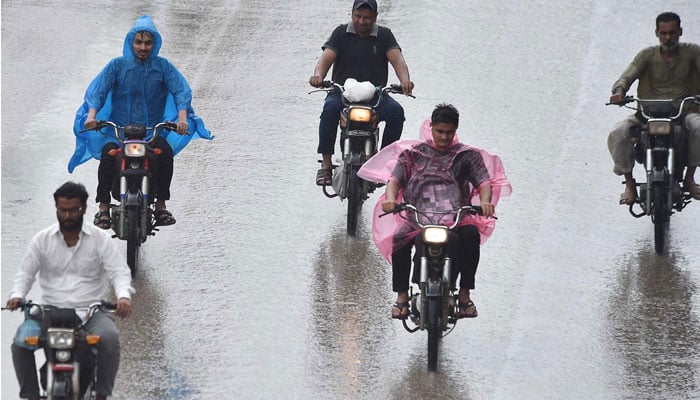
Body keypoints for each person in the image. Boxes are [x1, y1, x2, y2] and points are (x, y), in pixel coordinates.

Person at [358, 104, 511, 319]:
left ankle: (465, 295)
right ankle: (402, 296)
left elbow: (483, 182)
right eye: (440, 131)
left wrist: (486, 202)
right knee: (399, 240)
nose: (444, 136)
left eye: (449, 132)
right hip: (418, 218)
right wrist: (391, 199)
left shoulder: (467, 156)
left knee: (470, 236)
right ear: (431, 128)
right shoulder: (413, 154)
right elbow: (395, 180)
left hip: (456, 218)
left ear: (456, 130)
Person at [69, 15, 212, 228]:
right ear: (130, 42)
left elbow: (180, 89)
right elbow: (98, 90)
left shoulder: (163, 67)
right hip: (118, 132)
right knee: (108, 156)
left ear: (155, 44)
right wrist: (92, 116)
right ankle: (103, 208)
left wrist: (182, 119)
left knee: (164, 153)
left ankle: (161, 205)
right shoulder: (117, 66)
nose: (143, 47)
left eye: (148, 43)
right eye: (138, 42)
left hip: (152, 133)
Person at [6, 181, 134, 400]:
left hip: (92, 312)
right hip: (49, 313)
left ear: (83, 208)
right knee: (20, 344)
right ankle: (31, 395)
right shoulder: (42, 240)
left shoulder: (100, 239)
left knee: (110, 339)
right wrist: (17, 295)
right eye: (63, 210)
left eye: (73, 210)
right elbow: (25, 275)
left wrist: (123, 296)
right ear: (56, 209)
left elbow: (119, 272)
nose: (68, 216)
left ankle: (102, 393)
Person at [309, 0, 415, 186]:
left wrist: (405, 81)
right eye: (358, 16)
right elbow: (326, 58)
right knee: (329, 111)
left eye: (367, 17)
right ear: (352, 14)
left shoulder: (384, 35)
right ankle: (326, 166)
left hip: (376, 95)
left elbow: (397, 59)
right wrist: (318, 76)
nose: (361, 21)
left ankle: (382, 164)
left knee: (396, 113)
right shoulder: (341, 33)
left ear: (374, 18)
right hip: (342, 94)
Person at [607, 11, 700, 204]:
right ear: (657, 33)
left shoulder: (692, 53)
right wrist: (619, 91)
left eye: (672, 33)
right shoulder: (646, 55)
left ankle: (690, 178)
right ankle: (630, 184)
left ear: (680, 32)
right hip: (647, 114)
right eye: (664, 33)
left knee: (699, 129)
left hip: (683, 112)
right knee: (618, 132)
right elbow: (627, 76)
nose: (668, 38)